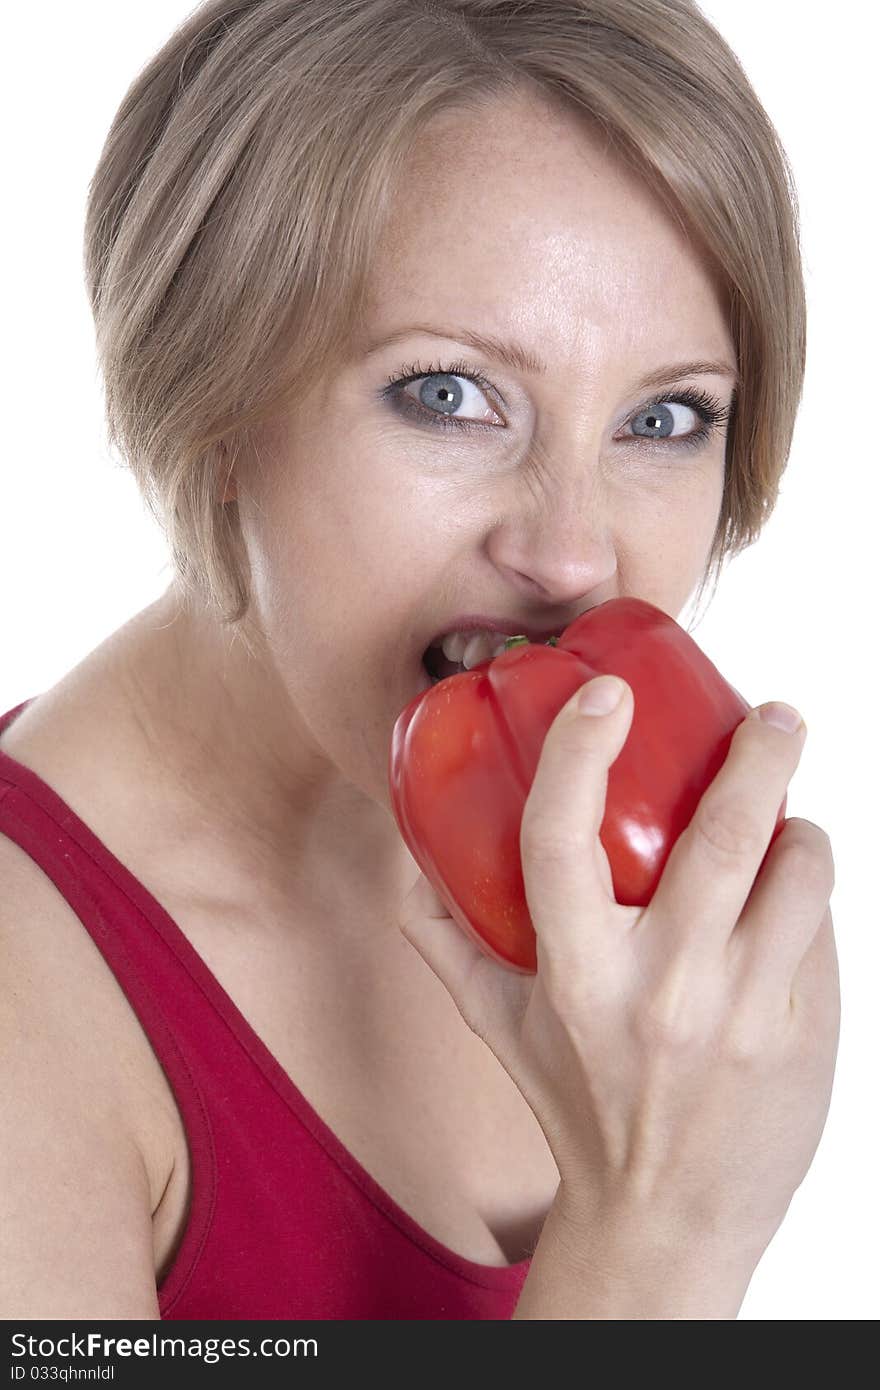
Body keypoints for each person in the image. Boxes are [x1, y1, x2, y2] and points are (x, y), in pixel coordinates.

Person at [0, 0, 838, 1320]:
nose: (573, 554)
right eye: (448, 393)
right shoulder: (23, 1011)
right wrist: (662, 1238)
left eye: (664, 416)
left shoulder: (599, 887)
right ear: (213, 405)